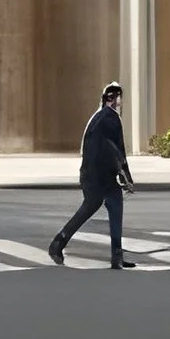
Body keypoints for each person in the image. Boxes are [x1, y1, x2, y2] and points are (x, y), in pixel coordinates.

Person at [48, 82, 136, 269]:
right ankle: (115, 256)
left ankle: (60, 242)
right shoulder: (112, 119)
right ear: (113, 99)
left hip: (92, 175)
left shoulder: (96, 117)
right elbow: (118, 150)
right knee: (111, 207)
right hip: (102, 177)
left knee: (94, 208)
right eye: (119, 98)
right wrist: (126, 177)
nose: (120, 103)